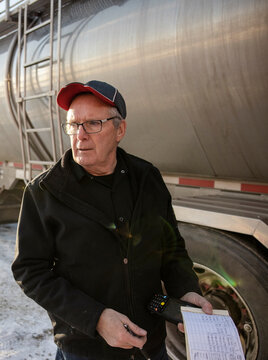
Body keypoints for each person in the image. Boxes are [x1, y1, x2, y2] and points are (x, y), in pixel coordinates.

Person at [11, 80, 213, 360]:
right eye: (73, 124)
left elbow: (171, 248)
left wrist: (187, 290)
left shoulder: (147, 179)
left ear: (120, 130)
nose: (79, 135)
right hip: (87, 350)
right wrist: (96, 318)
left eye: (93, 124)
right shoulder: (44, 192)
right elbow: (30, 271)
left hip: (150, 346)